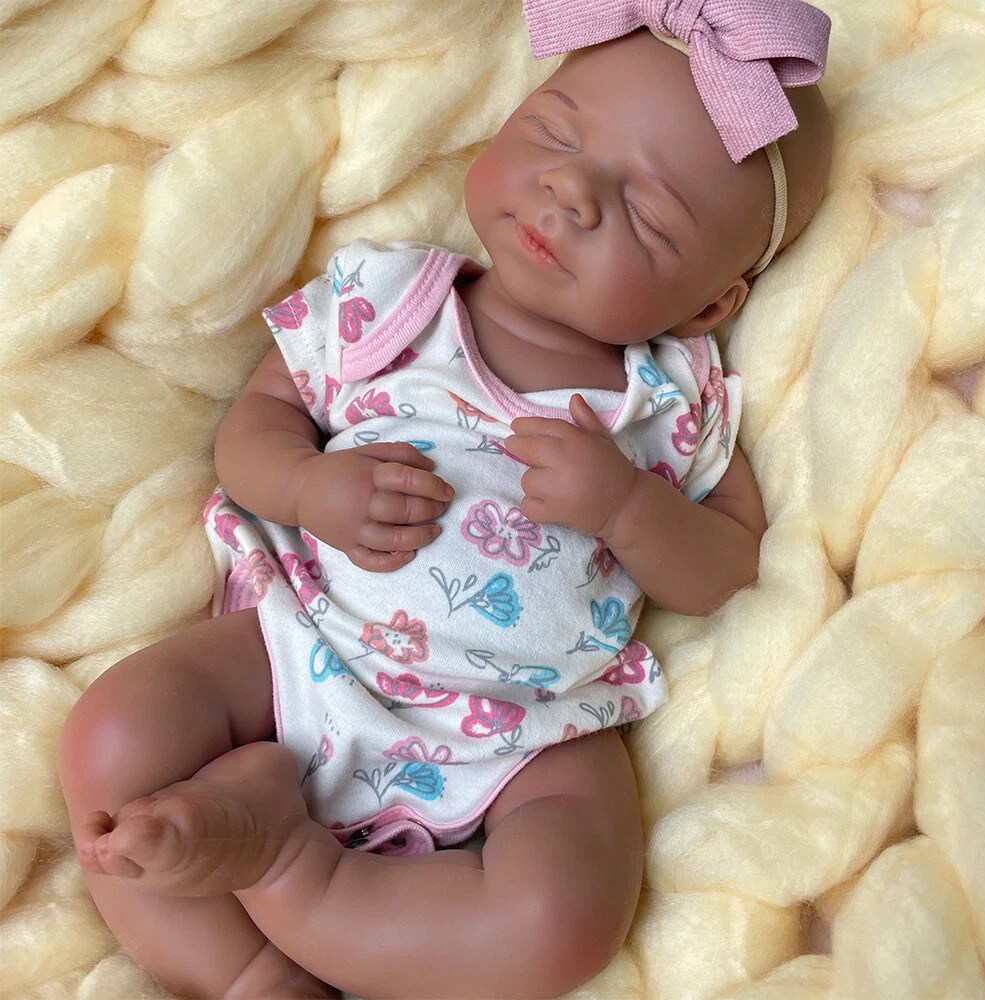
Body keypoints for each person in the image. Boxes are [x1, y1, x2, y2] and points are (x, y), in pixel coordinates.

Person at [58, 3, 833, 997]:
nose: (570, 191)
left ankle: (286, 864)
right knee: (116, 734)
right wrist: (306, 484)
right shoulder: (387, 301)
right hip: (305, 647)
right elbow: (253, 430)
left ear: (711, 305)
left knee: (564, 920)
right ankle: (250, 975)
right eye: (553, 133)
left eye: (647, 214)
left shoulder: (671, 404)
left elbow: (729, 567)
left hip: (526, 732)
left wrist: (626, 510)